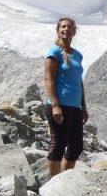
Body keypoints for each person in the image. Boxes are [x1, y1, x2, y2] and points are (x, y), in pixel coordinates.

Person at [43, 17, 87, 177]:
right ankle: (53, 186)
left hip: (75, 107)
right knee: (58, 145)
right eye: (63, 26)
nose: (66, 29)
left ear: (74, 32)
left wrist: (83, 107)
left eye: (69, 27)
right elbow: (48, 79)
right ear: (58, 30)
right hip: (59, 105)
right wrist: (55, 105)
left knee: (76, 147)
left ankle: (65, 180)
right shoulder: (54, 52)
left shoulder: (78, 55)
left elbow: (78, 82)